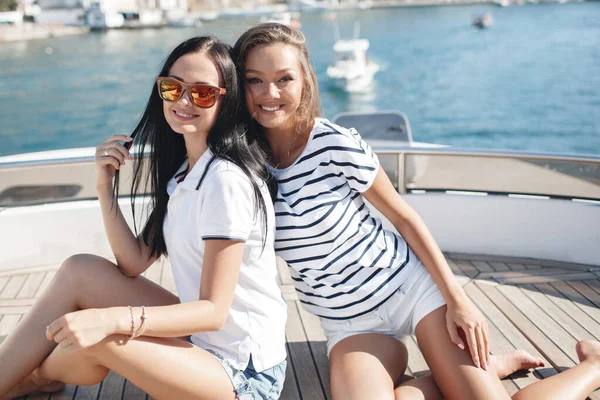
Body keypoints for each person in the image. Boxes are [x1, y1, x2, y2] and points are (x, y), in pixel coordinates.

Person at [233, 23, 600, 400]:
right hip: (350, 324)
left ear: (305, 82)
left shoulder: (332, 142)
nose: (269, 93)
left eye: (284, 79)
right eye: (254, 80)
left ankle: (593, 365)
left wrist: (459, 300)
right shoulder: (241, 164)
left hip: (410, 290)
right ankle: (480, 370)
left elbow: (404, 217)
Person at [0, 36, 287, 400]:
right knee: (81, 270)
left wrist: (113, 318)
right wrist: (105, 187)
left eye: (201, 93)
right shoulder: (187, 171)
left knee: (99, 335)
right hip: (203, 341)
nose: (183, 101)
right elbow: (133, 262)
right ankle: (28, 374)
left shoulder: (225, 180)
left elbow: (214, 312)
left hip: (242, 373)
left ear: (225, 100)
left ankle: (33, 376)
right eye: (172, 87)